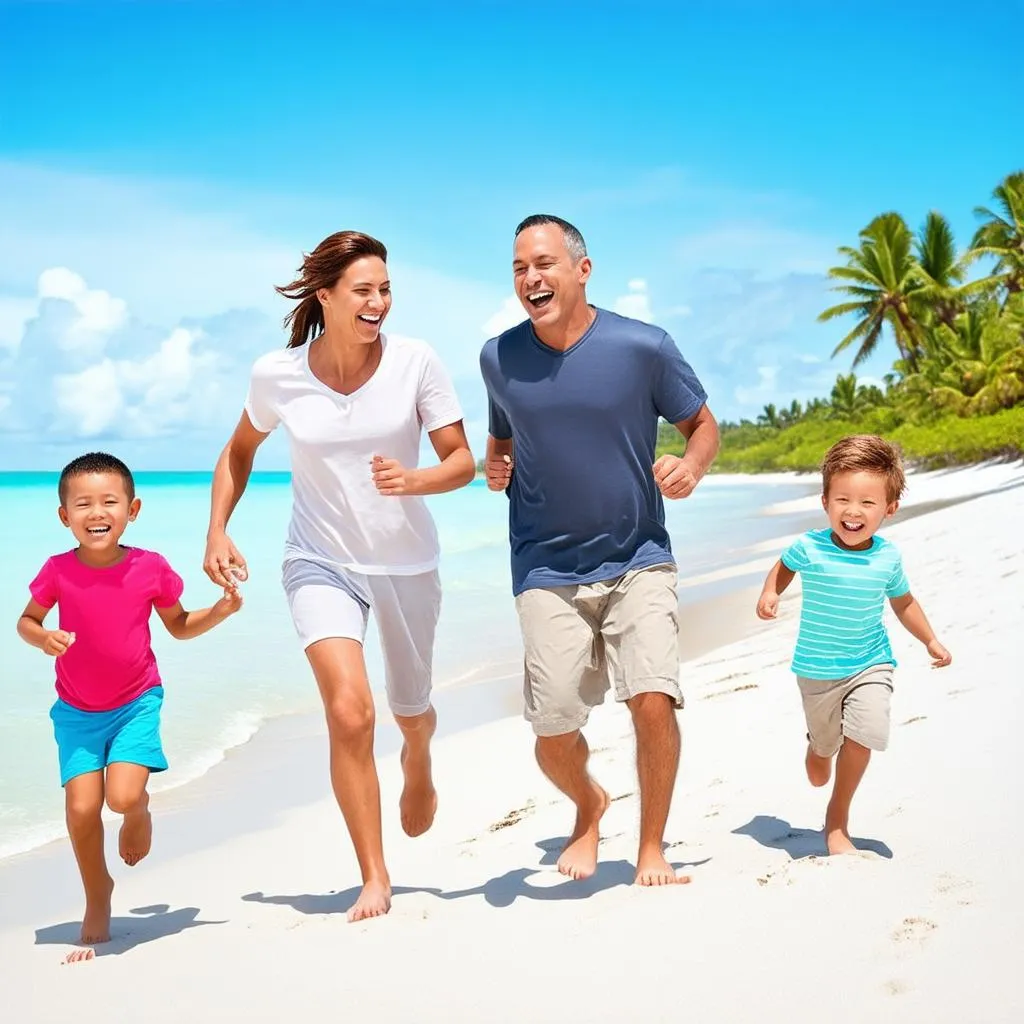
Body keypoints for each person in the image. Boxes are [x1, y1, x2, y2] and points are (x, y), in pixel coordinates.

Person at [203, 230, 474, 922]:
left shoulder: (416, 363)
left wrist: (413, 479)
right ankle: (375, 875)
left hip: (406, 562)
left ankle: (418, 754)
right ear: (324, 296)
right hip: (318, 559)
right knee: (350, 712)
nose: (379, 301)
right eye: (364, 290)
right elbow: (239, 451)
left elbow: (461, 462)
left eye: (385, 288)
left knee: (409, 710)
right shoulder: (278, 374)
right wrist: (217, 529)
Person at [479, 214, 720, 886]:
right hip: (544, 565)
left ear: (582, 270)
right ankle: (588, 804)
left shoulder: (644, 347)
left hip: (639, 554)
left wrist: (692, 467)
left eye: (546, 263)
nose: (532, 277)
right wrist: (494, 464)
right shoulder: (499, 357)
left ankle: (650, 848)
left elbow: (701, 425)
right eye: (521, 267)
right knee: (553, 727)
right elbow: (501, 438)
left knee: (651, 696)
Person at [16, 452, 241, 959]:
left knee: (119, 798)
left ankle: (139, 810)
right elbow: (26, 621)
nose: (97, 512)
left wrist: (221, 611)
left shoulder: (150, 568)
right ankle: (98, 895)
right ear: (64, 516)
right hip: (75, 711)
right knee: (80, 807)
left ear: (132, 509)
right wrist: (43, 638)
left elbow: (179, 626)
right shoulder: (57, 571)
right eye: (83, 503)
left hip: (136, 701)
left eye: (109, 501)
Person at [755, 434, 952, 854]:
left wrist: (930, 639)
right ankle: (818, 746)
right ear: (825, 501)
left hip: (870, 662)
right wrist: (770, 593)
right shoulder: (808, 546)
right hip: (816, 670)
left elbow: (904, 603)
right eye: (843, 499)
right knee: (823, 753)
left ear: (889, 509)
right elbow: (783, 567)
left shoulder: (887, 558)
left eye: (867, 502)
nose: (853, 511)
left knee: (866, 733)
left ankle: (837, 819)